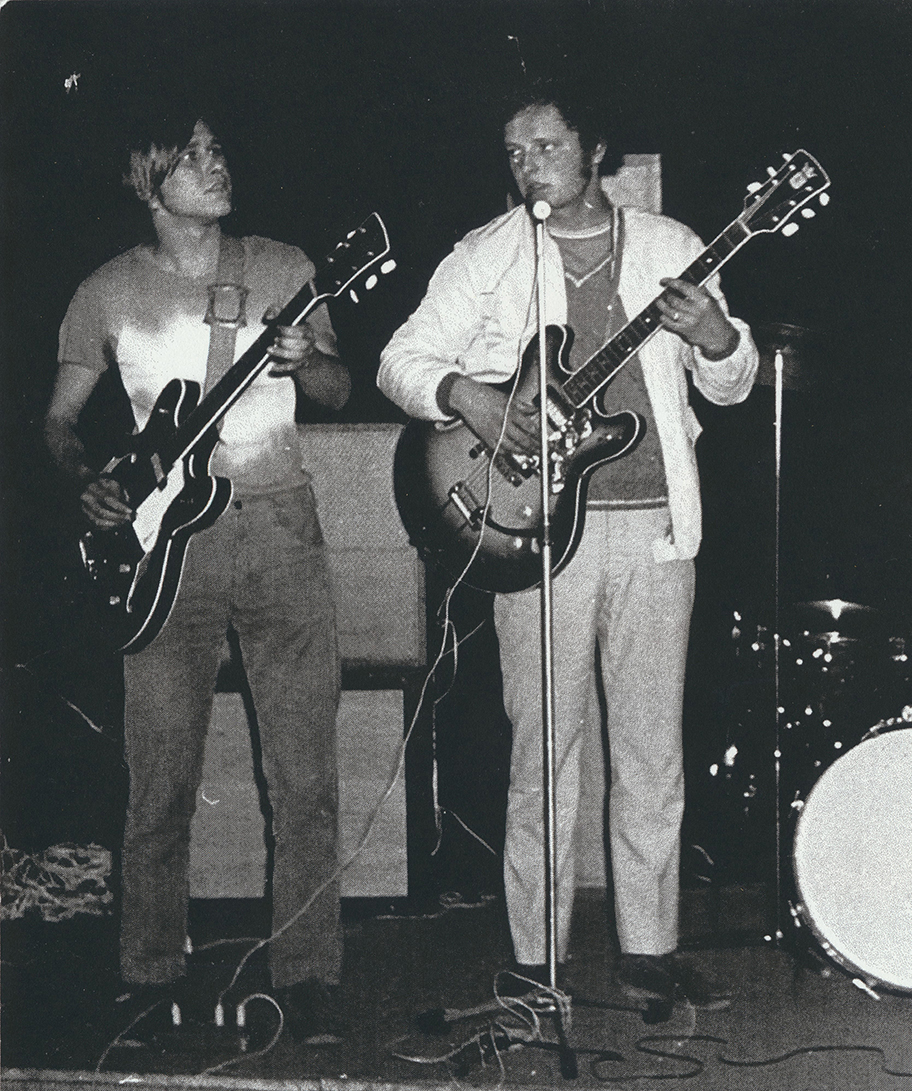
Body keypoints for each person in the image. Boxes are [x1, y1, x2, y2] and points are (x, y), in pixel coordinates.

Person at [378, 83, 757, 1009]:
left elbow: (730, 385)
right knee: (543, 755)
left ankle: (649, 950)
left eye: (546, 146)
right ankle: (534, 957)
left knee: (652, 753)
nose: (528, 166)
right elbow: (399, 360)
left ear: (595, 152)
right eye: (515, 152)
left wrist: (717, 338)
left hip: (656, 529)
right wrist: (470, 398)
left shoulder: (669, 244)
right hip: (532, 532)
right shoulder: (487, 254)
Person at [45, 110, 350, 1043]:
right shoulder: (104, 291)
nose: (218, 165)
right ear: (149, 180)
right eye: (194, 156)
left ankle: (309, 974)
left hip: (279, 529)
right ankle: (148, 974)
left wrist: (309, 359)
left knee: (304, 774)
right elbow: (58, 422)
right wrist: (86, 480)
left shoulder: (286, 267)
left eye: (220, 150)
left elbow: (339, 389)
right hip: (163, 548)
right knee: (160, 776)